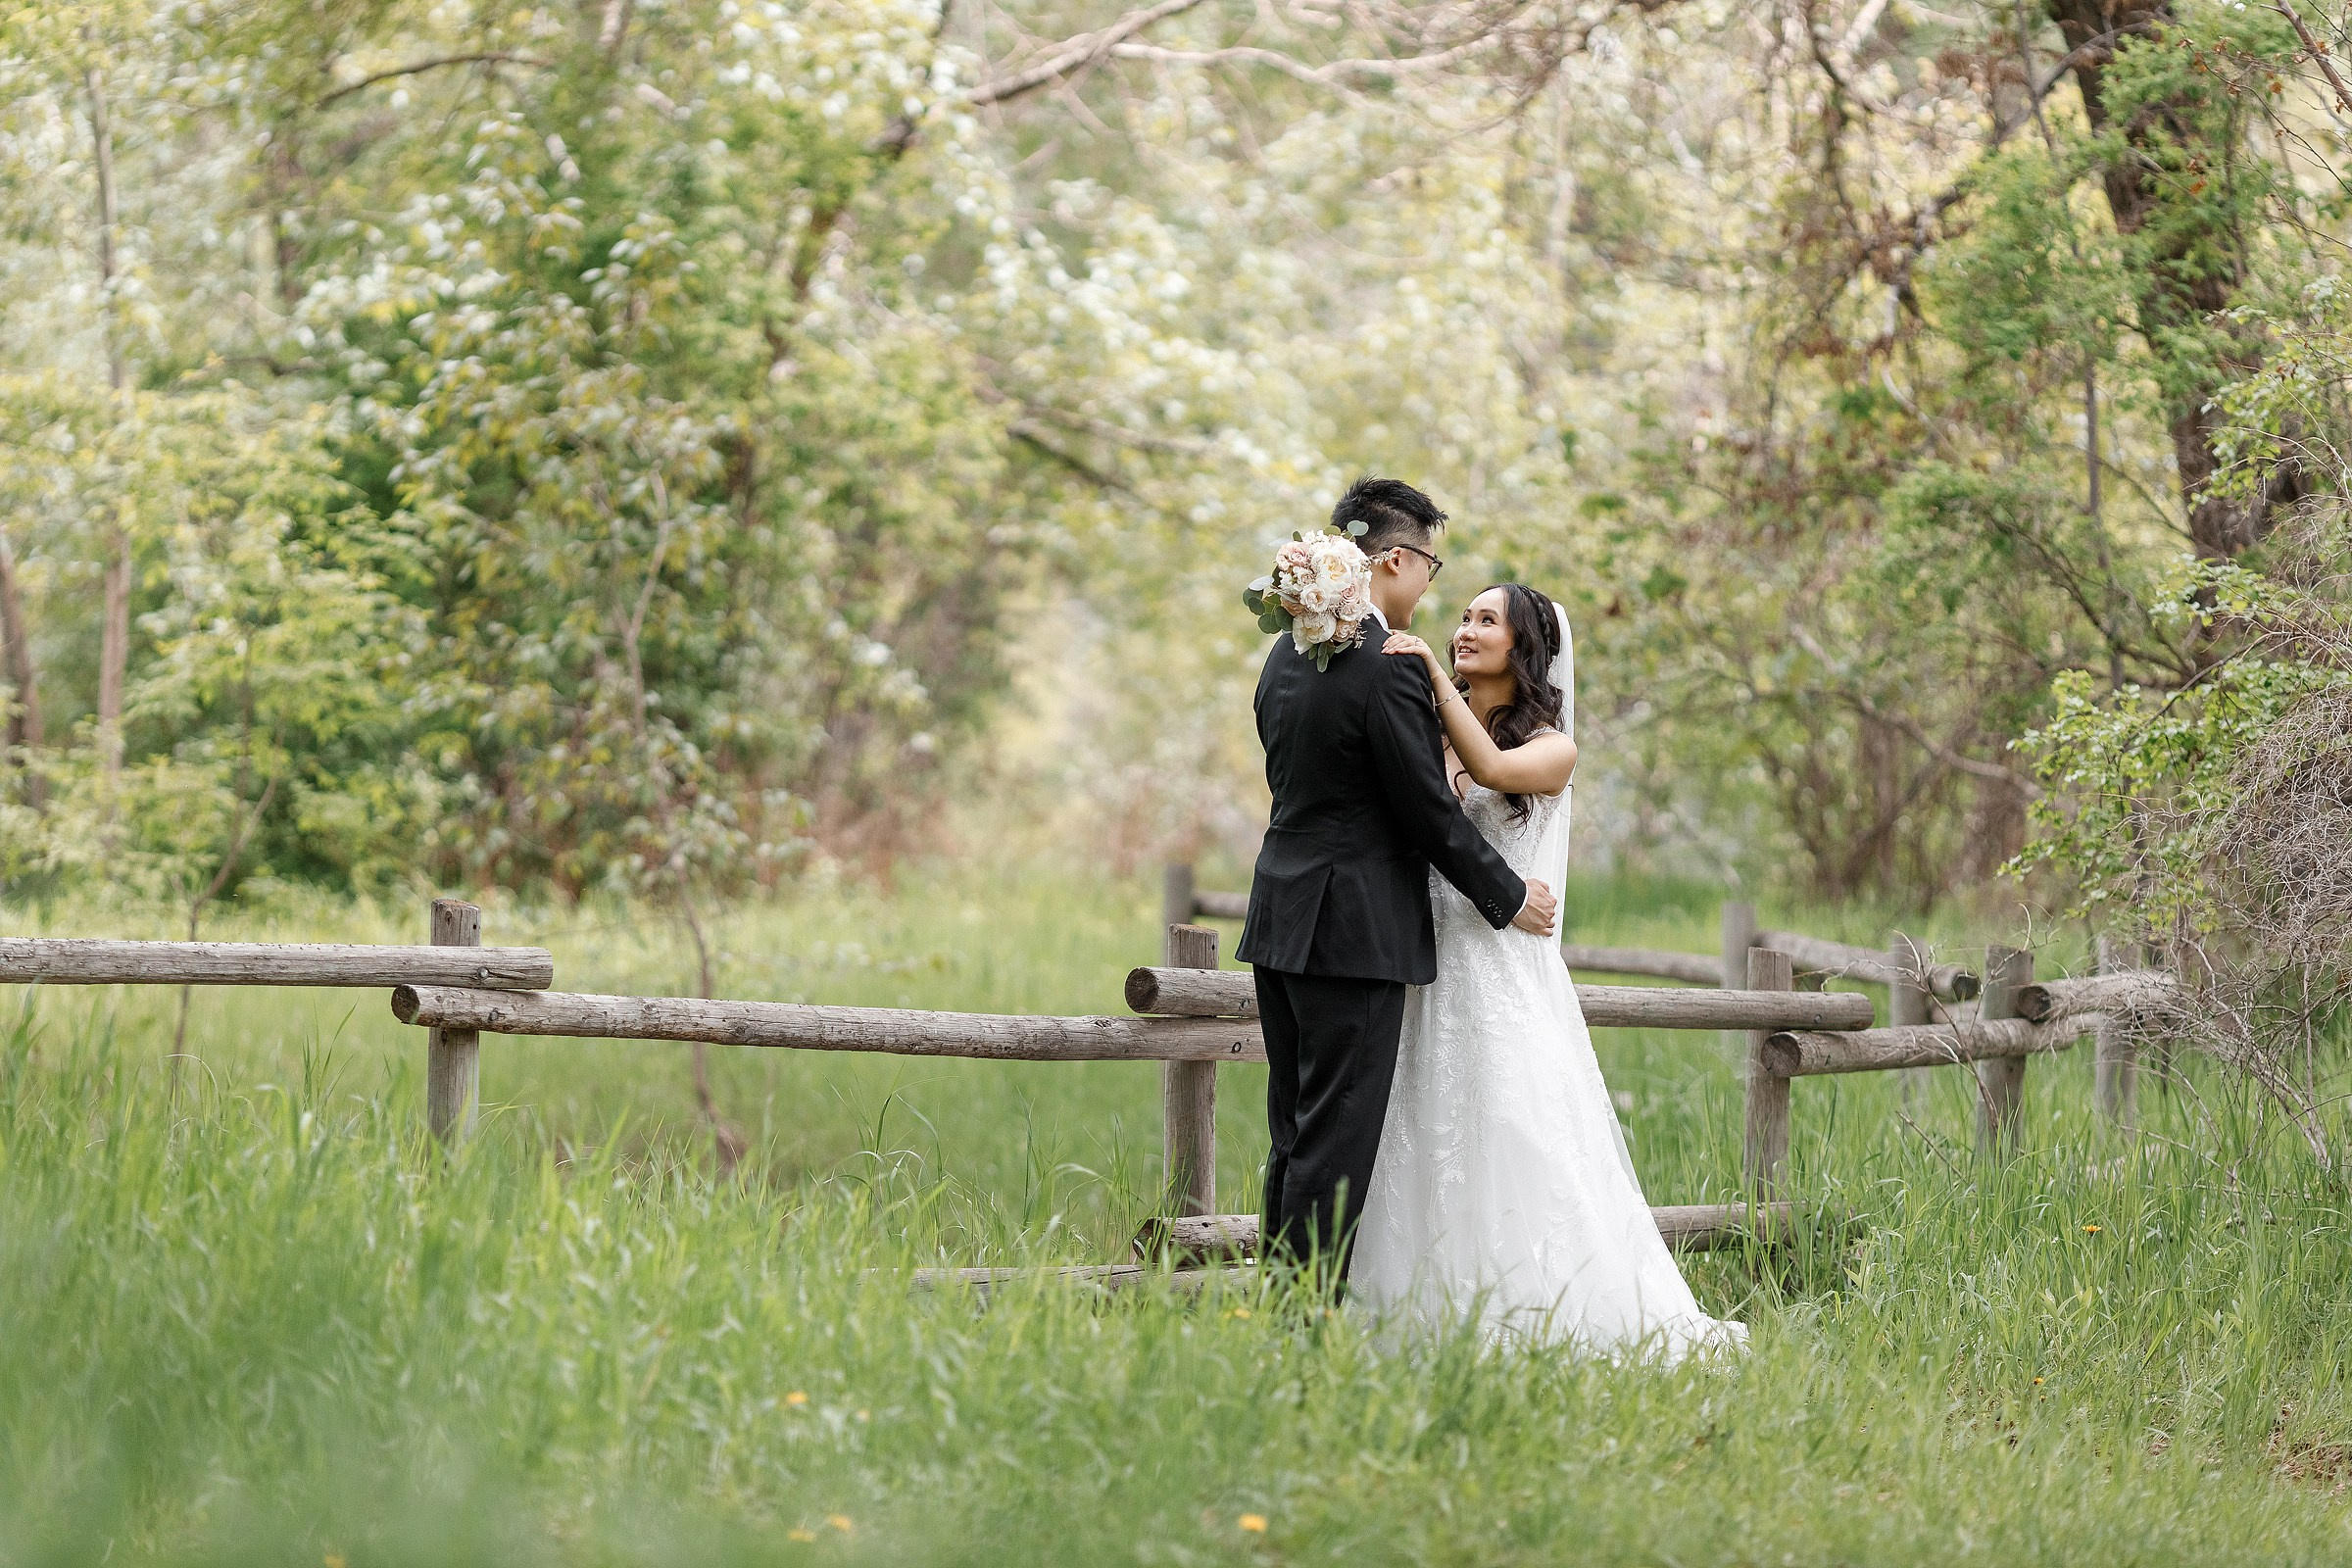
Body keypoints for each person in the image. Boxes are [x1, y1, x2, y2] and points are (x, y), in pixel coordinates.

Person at [1352, 581, 1747, 1357]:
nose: (1465, 629)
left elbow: (1495, 771)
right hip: (1423, 966)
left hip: (1500, 974)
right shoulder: (1428, 732)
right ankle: (1415, 1320)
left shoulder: (1553, 747)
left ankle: (1537, 1314)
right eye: (1462, 617)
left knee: (1512, 1132)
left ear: (1523, 648)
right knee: (1421, 1138)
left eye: (1485, 621)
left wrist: (1434, 674)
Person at [1236, 477, 1558, 1285]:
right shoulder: (1386, 663)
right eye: (1432, 567)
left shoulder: (1285, 653)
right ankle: (1304, 1321)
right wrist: (1509, 897)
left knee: (1294, 1133)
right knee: (1336, 1144)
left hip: (1280, 919)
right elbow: (1427, 813)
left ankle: (1282, 1308)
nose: (1432, 588)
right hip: (1355, 934)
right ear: (1395, 559)